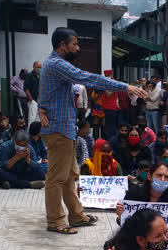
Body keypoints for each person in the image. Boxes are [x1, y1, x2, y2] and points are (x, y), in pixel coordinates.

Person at [38, 27, 146, 235]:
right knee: (56, 177)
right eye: (75, 44)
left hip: (65, 128)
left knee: (70, 175)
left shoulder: (55, 65)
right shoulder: (57, 64)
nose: (78, 48)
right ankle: (55, 221)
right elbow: (89, 78)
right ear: (62, 45)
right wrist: (125, 87)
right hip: (59, 129)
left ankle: (77, 215)